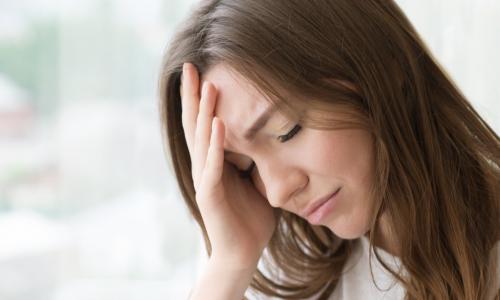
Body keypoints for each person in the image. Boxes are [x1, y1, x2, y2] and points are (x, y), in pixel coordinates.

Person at [158, 0, 500, 299]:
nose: (277, 192)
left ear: (382, 65)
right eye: (246, 168)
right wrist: (229, 266)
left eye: (286, 131)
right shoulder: (276, 274)